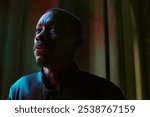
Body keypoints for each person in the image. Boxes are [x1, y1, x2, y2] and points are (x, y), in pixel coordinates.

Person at [8, 8, 125, 100]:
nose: (38, 36)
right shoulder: (19, 90)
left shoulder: (106, 94)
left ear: (77, 41)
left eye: (53, 29)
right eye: (38, 30)